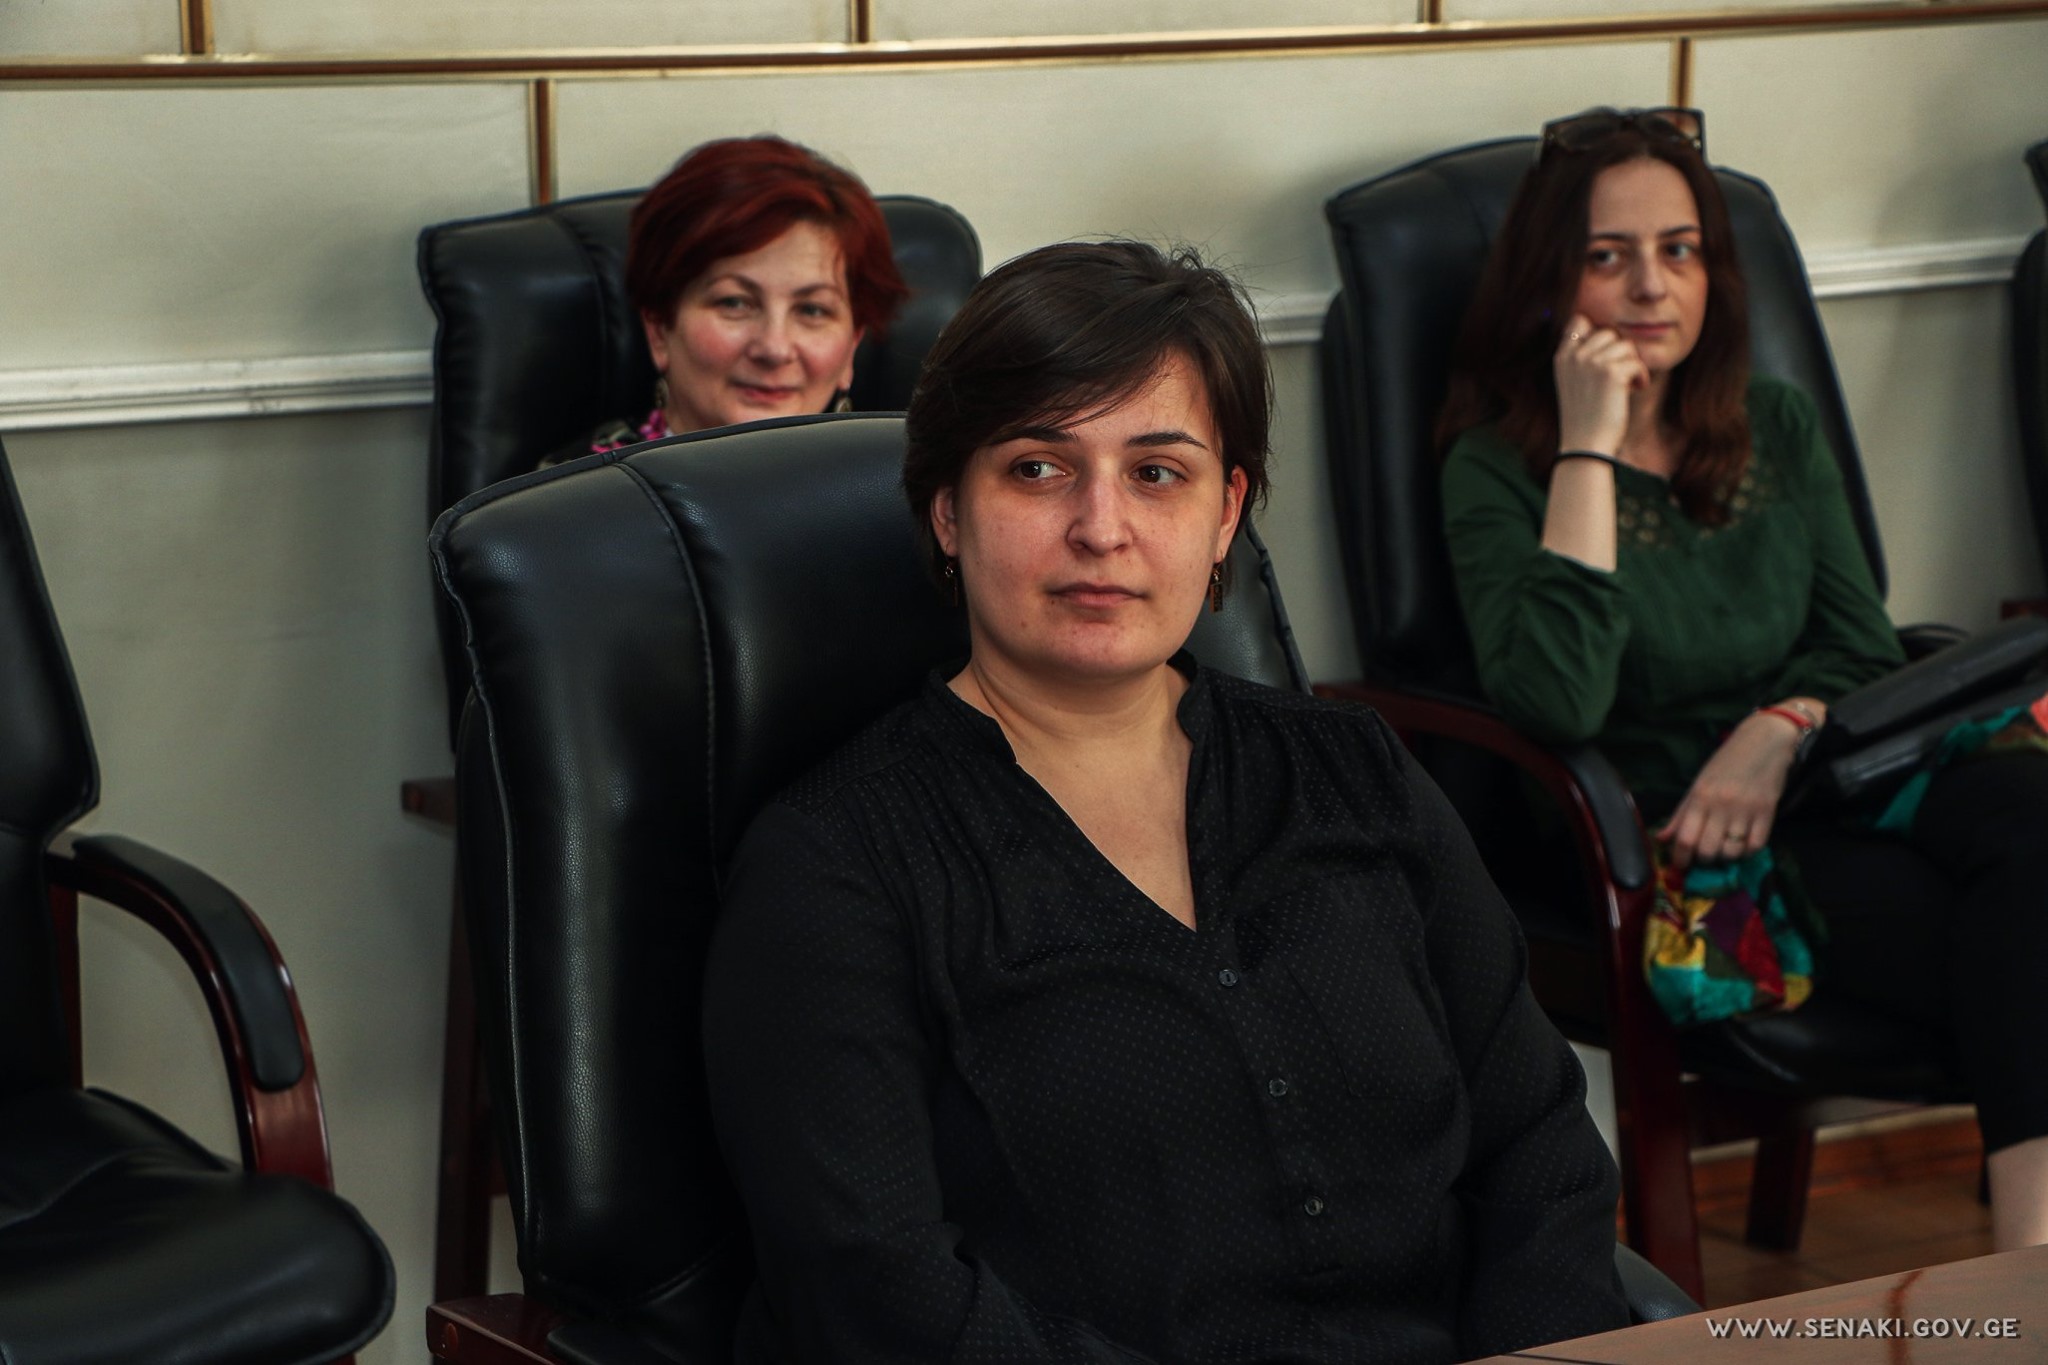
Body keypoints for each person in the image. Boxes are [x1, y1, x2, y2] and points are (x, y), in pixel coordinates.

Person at [703, 240, 1629, 1365]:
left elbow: (1538, 1141)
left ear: (1225, 512)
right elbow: (875, 1289)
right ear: (946, 509)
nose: (1103, 527)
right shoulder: (838, 861)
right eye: (1037, 468)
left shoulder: (1352, 771)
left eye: (1156, 473)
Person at [1438, 106, 2048, 1250]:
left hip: (1835, 771)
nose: (1650, 286)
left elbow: (1857, 643)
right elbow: (1558, 699)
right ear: (1546, 284)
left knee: (2032, 806)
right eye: (1606, 256)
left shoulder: (1770, 422)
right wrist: (1585, 446)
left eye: (1678, 250)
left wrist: (1776, 726)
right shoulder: (1496, 468)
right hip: (1688, 844)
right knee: (2020, 930)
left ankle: (2029, 1273)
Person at [546, 134, 909, 462]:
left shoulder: (904, 493)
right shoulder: (568, 500)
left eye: (812, 310)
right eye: (734, 303)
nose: (774, 349)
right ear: (659, 328)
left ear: (852, 345)